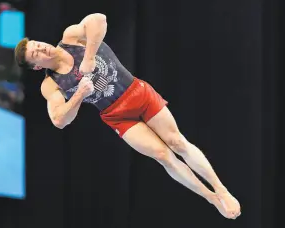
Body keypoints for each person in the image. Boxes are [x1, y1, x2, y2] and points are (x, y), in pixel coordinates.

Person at [14, 13, 241, 219]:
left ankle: (221, 189)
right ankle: (211, 197)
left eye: (38, 44)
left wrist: (90, 57)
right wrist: (79, 95)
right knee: (162, 154)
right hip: (116, 115)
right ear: (36, 67)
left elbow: (99, 20)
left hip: (137, 92)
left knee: (176, 141)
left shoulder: (71, 37)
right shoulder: (51, 84)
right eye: (36, 53)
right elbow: (59, 120)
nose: (42, 48)